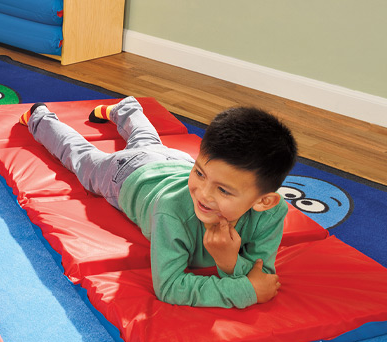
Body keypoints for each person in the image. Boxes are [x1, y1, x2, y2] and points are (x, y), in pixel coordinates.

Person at [19, 96, 297, 308]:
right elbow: (170, 287)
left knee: (147, 141)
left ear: (265, 201)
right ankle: (39, 118)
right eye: (199, 174)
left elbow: (264, 275)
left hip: (177, 163)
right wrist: (244, 290)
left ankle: (128, 109)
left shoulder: (271, 214)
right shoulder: (172, 212)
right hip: (125, 175)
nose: (203, 194)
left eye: (223, 191)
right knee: (81, 157)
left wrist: (227, 262)